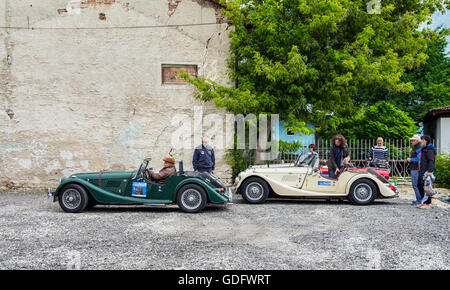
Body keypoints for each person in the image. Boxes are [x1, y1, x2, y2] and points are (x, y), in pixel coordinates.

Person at [414, 135, 436, 209]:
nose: (421, 141)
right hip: (421, 170)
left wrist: (430, 171)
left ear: (426, 141)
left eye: (422, 140)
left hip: (427, 171)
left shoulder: (430, 149)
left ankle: (427, 203)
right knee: (419, 185)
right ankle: (423, 202)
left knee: (427, 187)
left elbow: (431, 161)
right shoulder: (423, 149)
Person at [406, 135, 422, 205]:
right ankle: (418, 199)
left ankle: (419, 201)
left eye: (413, 140)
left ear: (417, 141)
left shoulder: (418, 147)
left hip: (416, 168)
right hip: (414, 168)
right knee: (415, 185)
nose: (411, 141)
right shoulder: (415, 147)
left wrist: (410, 159)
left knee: (415, 185)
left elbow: (419, 159)